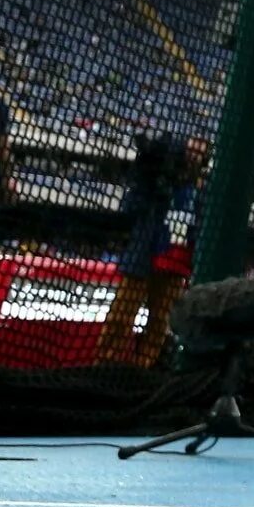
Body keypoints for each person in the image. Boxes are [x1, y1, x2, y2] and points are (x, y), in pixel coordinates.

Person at [96, 132, 209, 369]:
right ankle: (105, 364)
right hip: (146, 256)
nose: (194, 157)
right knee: (121, 316)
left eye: (199, 153)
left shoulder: (202, 191)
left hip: (177, 264)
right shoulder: (160, 180)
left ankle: (143, 368)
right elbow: (130, 206)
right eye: (191, 150)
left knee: (159, 323)